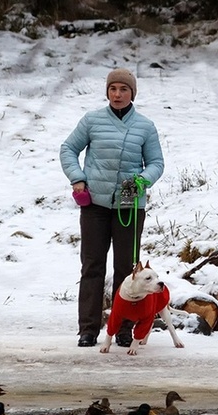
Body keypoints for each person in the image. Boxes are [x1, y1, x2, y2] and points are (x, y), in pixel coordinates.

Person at [60, 68, 165, 348]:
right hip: (95, 203)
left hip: (130, 205)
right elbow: (68, 149)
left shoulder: (145, 126)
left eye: (124, 89)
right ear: (107, 92)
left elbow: (156, 163)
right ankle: (88, 329)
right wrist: (78, 178)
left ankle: (123, 329)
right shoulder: (92, 120)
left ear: (132, 93)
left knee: (126, 269)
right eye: (113, 89)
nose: (117, 94)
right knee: (92, 266)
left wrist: (143, 180)